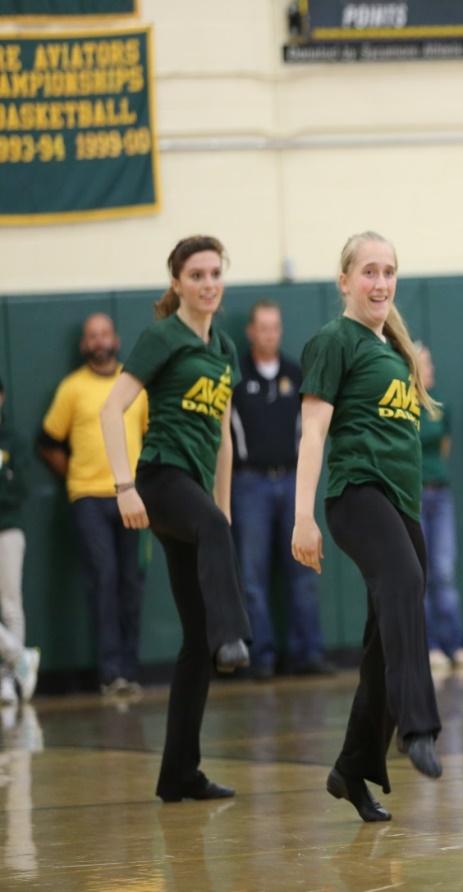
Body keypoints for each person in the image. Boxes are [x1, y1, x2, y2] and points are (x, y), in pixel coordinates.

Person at [291, 231, 443, 824]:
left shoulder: (395, 352)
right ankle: (418, 727)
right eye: (369, 272)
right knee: (404, 585)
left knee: (387, 639)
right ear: (345, 281)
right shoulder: (334, 341)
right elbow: (313, 435)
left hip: (402, 506)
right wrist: (303, 518)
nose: (380, 283)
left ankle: (352, 769)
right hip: (357, 495)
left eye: (389, 272)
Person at [99, 235, 251, 804]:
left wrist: (225, 512)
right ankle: (232, 633)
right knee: (211, 635)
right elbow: (110, 408)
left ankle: (178, 773)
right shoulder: (163, 336)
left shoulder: (225, 348)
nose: (208, 283)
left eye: (215, 273)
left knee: (192, 645)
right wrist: (124, 486)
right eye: (197, 275)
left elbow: (223, 443)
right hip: (159, 479)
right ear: (177, 284)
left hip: (193, 487)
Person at [39, 313, 149, 697]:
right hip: (88, 498)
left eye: (104, 334)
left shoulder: (135, 385)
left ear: (115, 339)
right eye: (91, 336)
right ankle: (110, 672)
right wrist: (77, 476)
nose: (99, 341)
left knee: (131, 584)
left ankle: (130, 670)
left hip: (131, 498)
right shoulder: (72, 388)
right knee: (103, 579)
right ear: (84, 345)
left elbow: (151, 435)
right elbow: (48, 441)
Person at [230, 300, 331, 679]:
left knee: (304, 569)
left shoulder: (295, 373)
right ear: (251, 331)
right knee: (253, 575)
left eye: (275, 327)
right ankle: (261, 658)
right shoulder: (236, 375)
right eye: (263, 327)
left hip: (291, 480)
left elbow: (311, 432)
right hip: (249, 483)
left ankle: (309, 652)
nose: (270, 334)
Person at [415, 344, 463, 672]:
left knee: (444, 570)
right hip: (413, 496)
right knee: (421, 573)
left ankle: (455, 644)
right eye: (423, 364)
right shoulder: (402, 404)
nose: (430, 370)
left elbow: (444, 447)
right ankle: (430, 646)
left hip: (440, 494)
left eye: (430, 363)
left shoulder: (440, 405)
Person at [0, 377, 39, 704]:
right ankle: (19, 657)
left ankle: (11, 682)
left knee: (11, 605)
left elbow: (19, 487)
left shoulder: (13, 441)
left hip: (7, 529)